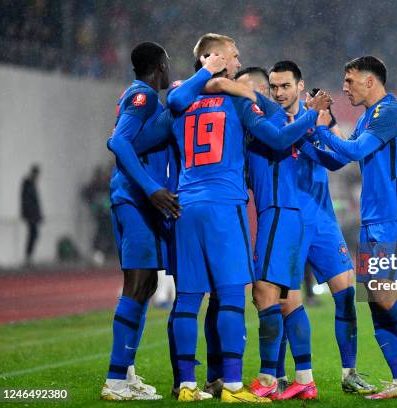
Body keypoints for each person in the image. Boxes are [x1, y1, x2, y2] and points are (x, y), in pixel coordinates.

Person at [138, 33, 331, 403]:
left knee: (188, 300)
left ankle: (187, 386)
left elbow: (137, 142)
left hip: (185, 206)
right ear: (215, 58)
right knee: (230, 298)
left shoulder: (181, 101)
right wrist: (311, 114)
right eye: (234, 56)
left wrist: (153, 187)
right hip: (225, 206)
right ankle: (230, 385)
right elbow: (277, 139)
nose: (239, 63)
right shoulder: (236, 102)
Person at [310, 56, 397, 399]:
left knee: (383, 294)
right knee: (375, 302)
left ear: (369, 81)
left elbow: (356, 148)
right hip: (372, 221)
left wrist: (318, 127)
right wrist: (310, 136)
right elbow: (339, 159)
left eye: (349, 81)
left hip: (395, 219)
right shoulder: (367, 117)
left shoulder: (391, 111)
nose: (344, 88)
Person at [101, 41, 224, 401]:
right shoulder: (141, 96)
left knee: (147, 286)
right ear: (160, 65)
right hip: (136, 201)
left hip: (144, 203)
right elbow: (119, 143)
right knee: (137, 285)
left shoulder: (150, 100)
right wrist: (153, 189)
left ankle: (125, 372)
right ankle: (114, 379)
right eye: (167, 63)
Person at [268, 60, 375, 398]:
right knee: (285, 301)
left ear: (301, 87)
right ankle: (286, 375)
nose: (279, 92)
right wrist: (309, 126)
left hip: (323, 221)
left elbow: (340, 158)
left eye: (286, 86)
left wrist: (327, 122)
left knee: (346, 295)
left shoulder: (315, 119)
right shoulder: (270, 122)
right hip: (288, 221)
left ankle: (350, 373)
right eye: (274, 87)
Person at [234, 66, 307, 400]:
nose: (241, 94)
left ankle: (268, 377)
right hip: (283, 213)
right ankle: (303, 377)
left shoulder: (271, 119)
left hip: (277, 212)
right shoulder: (270, 122)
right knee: (287, 299)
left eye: (246, 88)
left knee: (262, 292)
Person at [20, 164, 42, 266]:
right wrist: (28, 214)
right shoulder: (28, 184)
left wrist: (39, 214)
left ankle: (29, 257)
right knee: (33, 234)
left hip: (33, 215)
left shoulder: (32, 184)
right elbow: (27, 201)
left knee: (34, 235)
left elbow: (35, 202)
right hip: (30, 215)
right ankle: (28, 257)